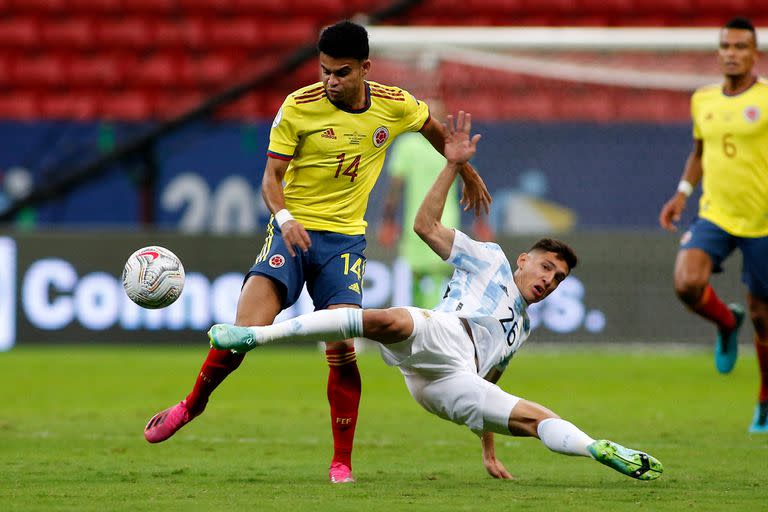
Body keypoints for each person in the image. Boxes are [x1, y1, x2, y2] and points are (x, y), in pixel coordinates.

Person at [208, 112, 664, 481]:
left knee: (533, 417)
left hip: (446, 385)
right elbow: (424, 226)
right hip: (445, 334)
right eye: (546, 267)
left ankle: (599, 448)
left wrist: (488, 449)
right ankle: (256, 336)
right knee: (390, 321)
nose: (549, 280)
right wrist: (452, 164)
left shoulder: (521, 327)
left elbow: (492, 382)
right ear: (523, 259)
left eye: (558, 279)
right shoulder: (490, 258)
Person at [142, 19, 492, 484]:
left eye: (341, 72)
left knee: (343, 347)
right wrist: (285, 219)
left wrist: (464, 170)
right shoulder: (298, 108)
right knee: (245, 329)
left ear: (365, 68)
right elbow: (270, 179)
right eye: (325, 70)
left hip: (344, 242)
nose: (330, 81)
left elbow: (434, 131)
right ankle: (192, 405)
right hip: (291, 232)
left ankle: (341, 462)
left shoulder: (396, 105)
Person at [659, 17, 768, 433]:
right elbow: (701, 150)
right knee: (686, 282)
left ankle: (764, 400)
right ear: (718, 50)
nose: (732, 53)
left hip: (762, 222)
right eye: (726, 45)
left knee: (764, 317)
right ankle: (726, 322)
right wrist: (682, 192)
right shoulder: (702, 99)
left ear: (754, 54)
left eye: (741, 46)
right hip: (716, 214)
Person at [378, 98, 461, 308]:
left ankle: (427, 323)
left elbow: (394, 188)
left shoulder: (409, 145)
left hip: (419, 221)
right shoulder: (450, 146)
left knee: (428, 276)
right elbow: (468, 185)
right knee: (428, 275)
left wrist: (387, 220)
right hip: (437, 221)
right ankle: (428, 320)